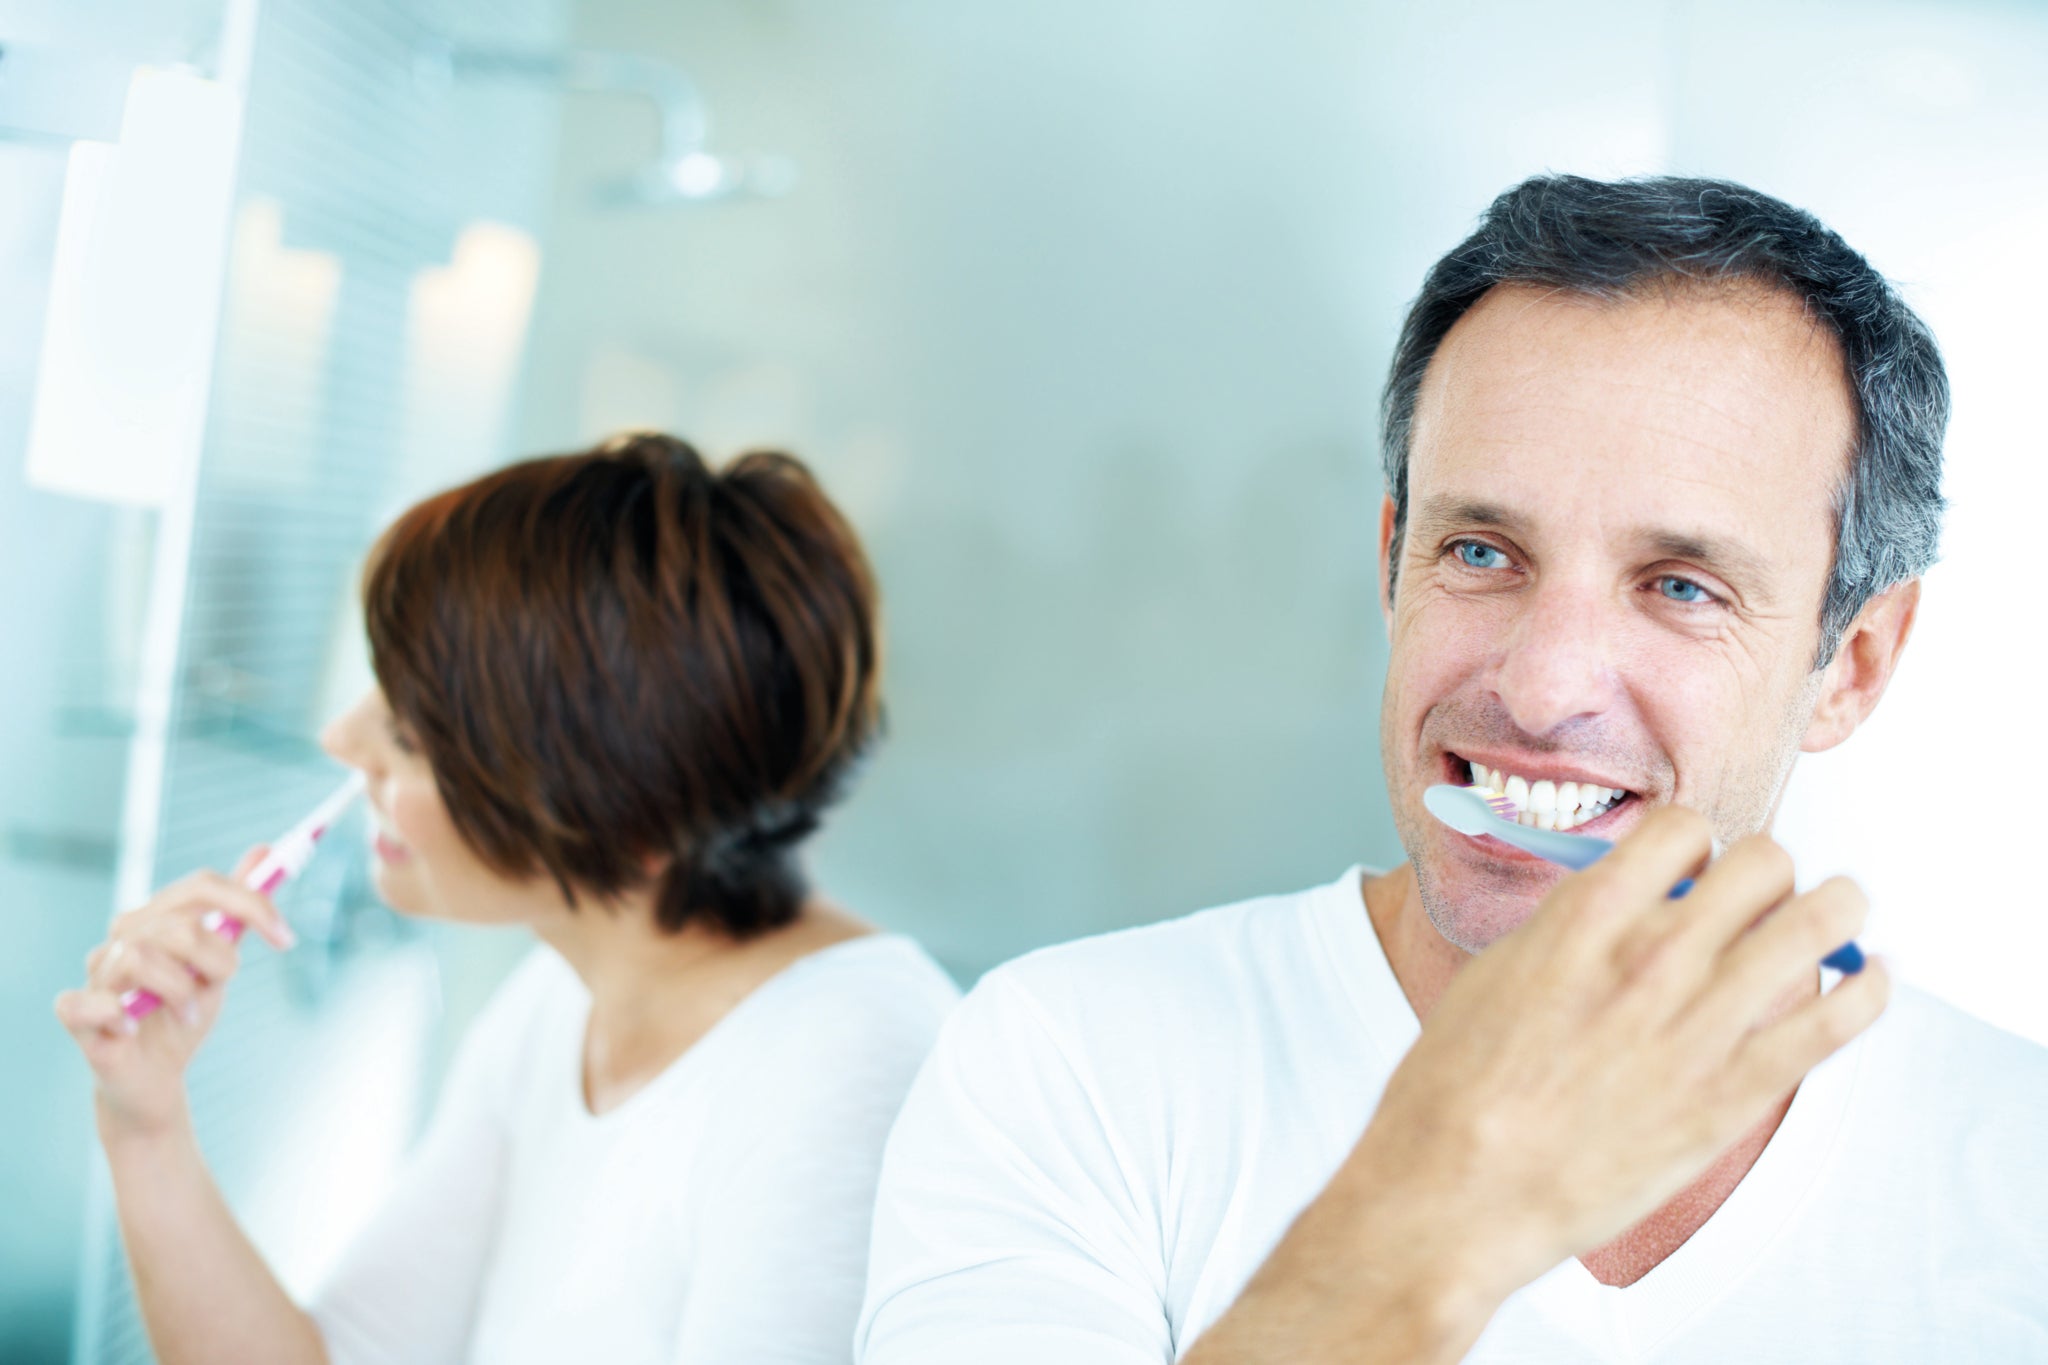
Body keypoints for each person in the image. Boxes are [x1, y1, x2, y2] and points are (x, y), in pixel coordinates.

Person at [856, 176, 2048, 1363]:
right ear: (1390, 566)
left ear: (1851, 663)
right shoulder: (1072, 1066)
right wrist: (1443, 1224)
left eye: (1679, 585)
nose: (1538, 688)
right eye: (1480, 551)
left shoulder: (2015, 1174)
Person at [56, 433, 960, 1364]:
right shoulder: (561, 997)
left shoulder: (850, 1070)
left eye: (411, 733)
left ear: (627, 810)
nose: (343, 739)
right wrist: (146, 1121)